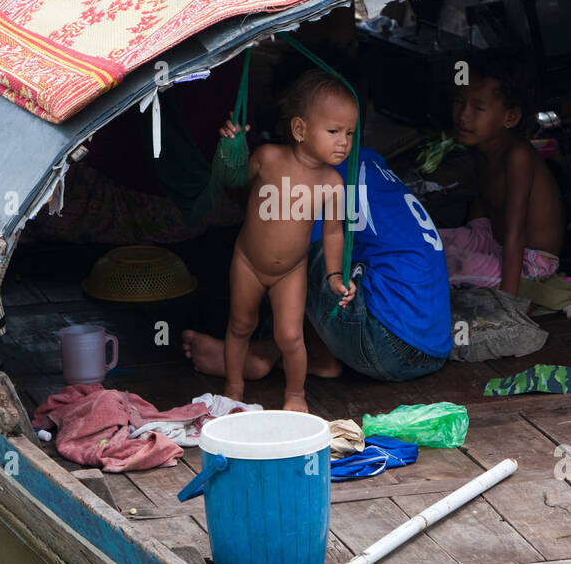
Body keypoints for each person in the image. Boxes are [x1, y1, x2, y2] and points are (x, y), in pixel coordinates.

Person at [185, 142, 452, 384]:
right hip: (433, 348)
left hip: (385, 344)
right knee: (335, 262)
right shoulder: (369, 160)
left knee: (295, 249)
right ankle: (270, 350)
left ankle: (310, 357)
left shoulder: (322, 175)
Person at [219, 69, 358, 412]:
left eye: (350, 133)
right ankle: (233, 386)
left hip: (290, 271)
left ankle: (295, 395)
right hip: (248, 262)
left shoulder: (332, 183)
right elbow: (232, 182)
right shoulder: (267, 158)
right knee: (240, 325)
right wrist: (231, 148)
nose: (344, 142)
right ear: (299, 129)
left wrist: (335, 275)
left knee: (291, 336)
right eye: (334, 131)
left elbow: (333, 232)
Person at [441, 51, 564, 294]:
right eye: (459, 102)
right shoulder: (481, 146)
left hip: (528, 263)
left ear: (511, 117)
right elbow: (483, 201)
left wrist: (509, 304)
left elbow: (515, 233)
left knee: (443, 264)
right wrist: (470, 238)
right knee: (424, 242)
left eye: (477, 108)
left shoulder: (518, 156)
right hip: (492, 239)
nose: (463, 116)